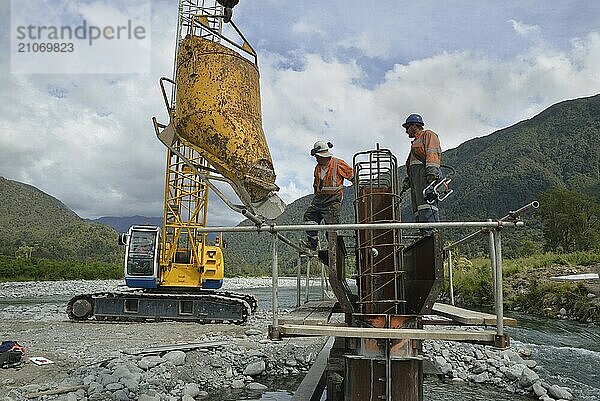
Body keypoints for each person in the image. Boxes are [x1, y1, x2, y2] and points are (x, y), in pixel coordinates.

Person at [303, 141, 354, 251]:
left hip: (333, 200)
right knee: (309, 217)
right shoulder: (317, 168)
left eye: (317, 156)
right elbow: (316, 185)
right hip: (319, 199)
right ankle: (312, 242)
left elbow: (353, 176)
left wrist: (361, 188)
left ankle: (333, 248)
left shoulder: (338, 163)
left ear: (322, 155)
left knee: (331, 225)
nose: (316, 158)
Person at [401, 113, 442, 234]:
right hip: (416, 180)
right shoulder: (415, 143)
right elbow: (412, 165)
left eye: (407, 128)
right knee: (418, 207)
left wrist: (431, 173)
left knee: (427, 203)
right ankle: (423, 230)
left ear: (414, 125)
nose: (406, 131)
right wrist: (409, 179)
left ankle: (431, 231)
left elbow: (433, 153)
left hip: (426, 177)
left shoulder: (428, 135)